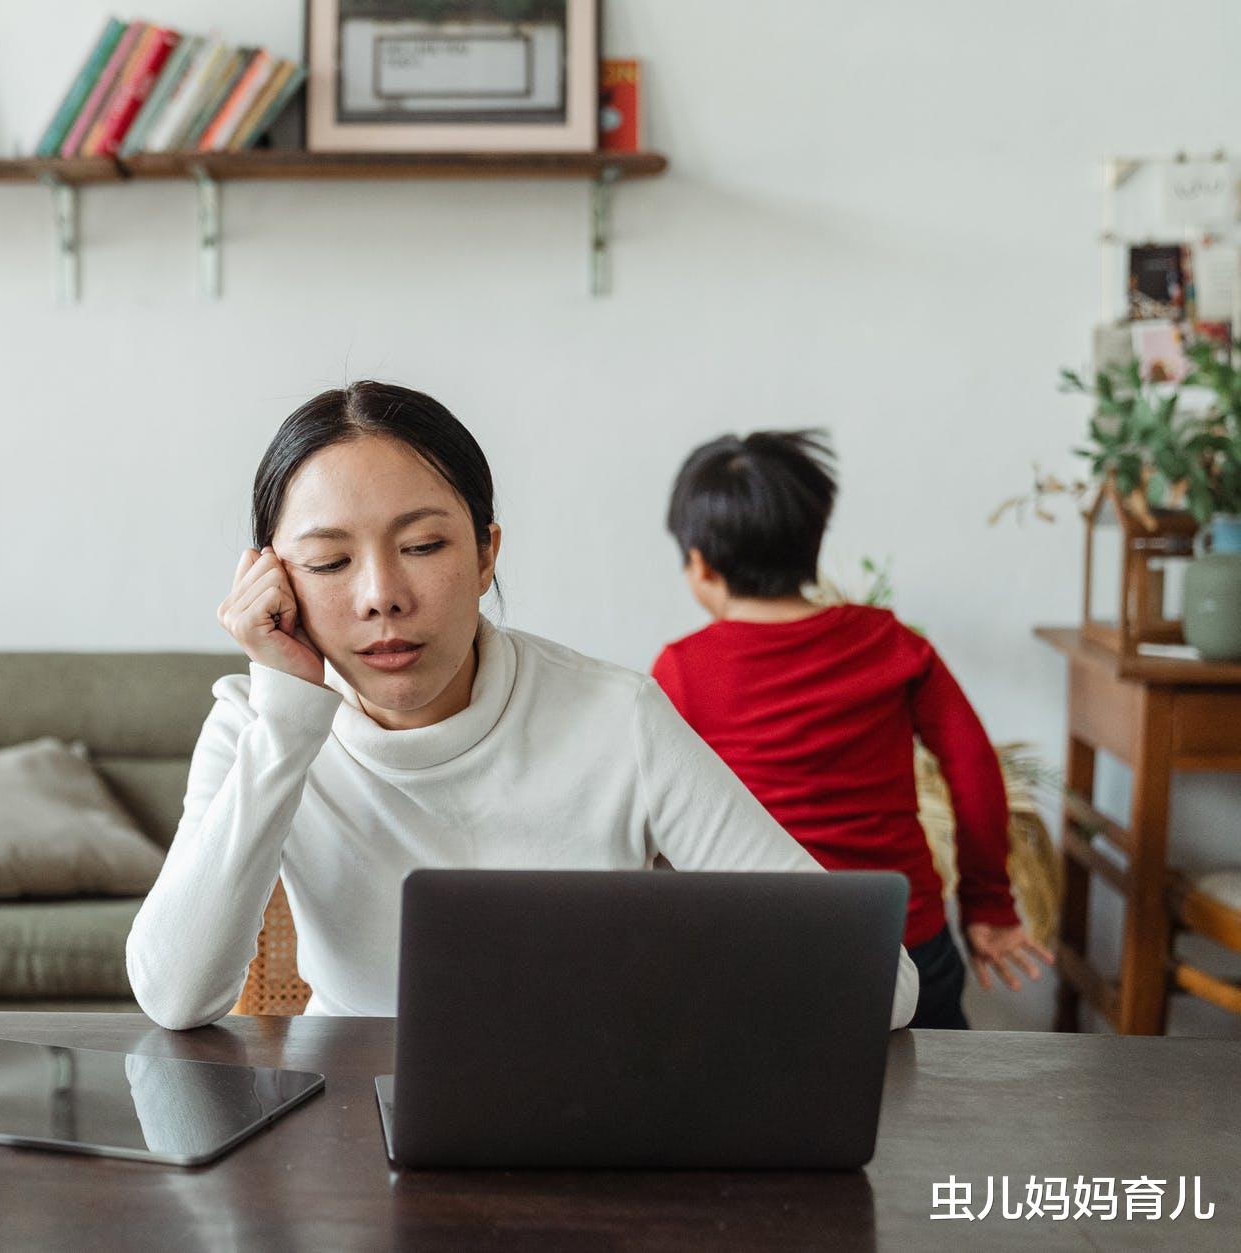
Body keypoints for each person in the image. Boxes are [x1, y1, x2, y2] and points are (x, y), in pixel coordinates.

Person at [125, 382, 918, 1031]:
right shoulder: (255, 725)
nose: (381, 598)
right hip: (345, 1128)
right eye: (330, 560)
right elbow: (173, 995)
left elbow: (881, 985)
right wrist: (287, 719)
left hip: (586, 1113)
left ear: (485, 555)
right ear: (274, 581)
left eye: (425, 546)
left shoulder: (618, 717)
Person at [650, 429, 1051, 1030]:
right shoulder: (893, 644)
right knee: (936, 1113)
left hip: (766, 952)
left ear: (700, 564)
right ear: (813, 543)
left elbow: (659, 813)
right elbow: (973, 768)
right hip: (906, 943)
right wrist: (988, 902)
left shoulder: (681, 669)